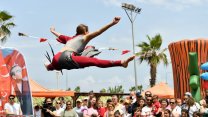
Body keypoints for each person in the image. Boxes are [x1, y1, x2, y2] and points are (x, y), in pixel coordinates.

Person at [45, 17, 135, 71]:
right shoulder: (85, 37)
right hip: (66, 58)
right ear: (86, 32)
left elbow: (59, 34)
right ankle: (121, 62)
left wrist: (52, 31)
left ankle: (48, 67)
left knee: (55, 65)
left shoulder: (69, 39)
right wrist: (112, 23)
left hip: (56, 60)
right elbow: (98, 31)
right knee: (94, 61)